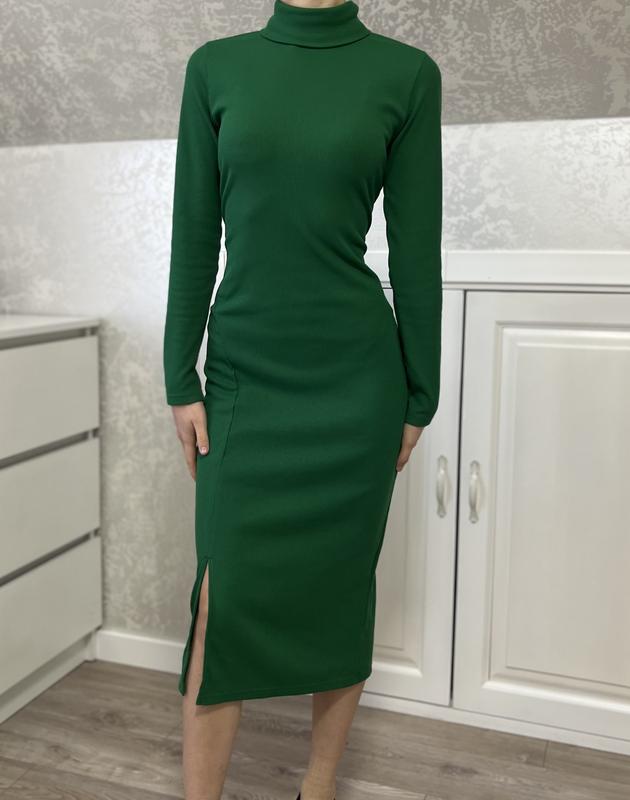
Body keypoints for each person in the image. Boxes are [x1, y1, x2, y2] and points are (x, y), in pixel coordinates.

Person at [162, 1, 443, 798]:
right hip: (246, 374)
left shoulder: (407, 76)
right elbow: (194, 232)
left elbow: (416, 250)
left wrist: (420, 392)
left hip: (356, 386)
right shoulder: (215, 68)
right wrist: (180, 374)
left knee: (340, 598)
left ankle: (316, 788)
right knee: (220, 602)